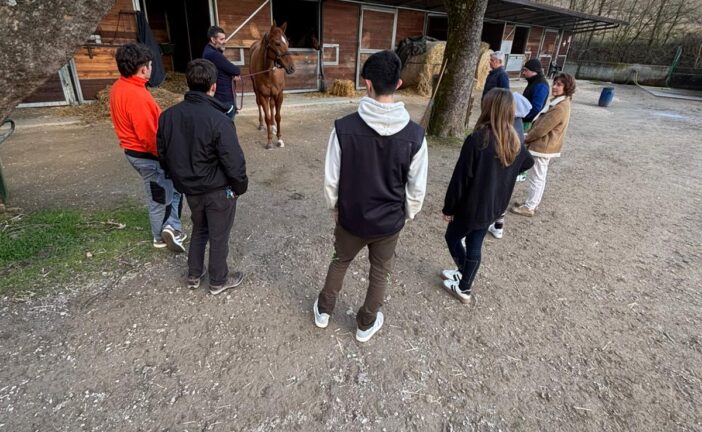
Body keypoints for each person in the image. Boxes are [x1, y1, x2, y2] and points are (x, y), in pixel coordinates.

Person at [314, 50, 428, 342]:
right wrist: (408, 213)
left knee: (340, 260)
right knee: (380, 272)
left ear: (367, 83)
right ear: (399, 83)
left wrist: (335, 208)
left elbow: (331, 179)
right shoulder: (415, 136)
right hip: (389, 222)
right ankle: (365, 323)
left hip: (351, 216)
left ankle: (324, 310)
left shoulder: (343, 128)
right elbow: (416, 188)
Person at [157, 59, 248, 295]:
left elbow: (163, 154)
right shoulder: (220, 119)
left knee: (200, 228)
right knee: (218, 234)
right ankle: (218, 280)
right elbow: (234, 161)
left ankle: (194, 274)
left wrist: (181, 181)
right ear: (214, 86)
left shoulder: (168, 116)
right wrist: (239, 186)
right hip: (217, 189)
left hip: (191, 189)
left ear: (187, 83)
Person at [441, 89, 534, 303]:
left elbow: (460, 179)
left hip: (471, 206)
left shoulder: (477, 139)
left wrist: (449, 208)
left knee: (453, 238)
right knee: (475, 241)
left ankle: (464, 284)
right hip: (495, 205)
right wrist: (506, 172)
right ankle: (465, 278)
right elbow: (528, 162)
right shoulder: (514, 139)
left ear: (488, 108)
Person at [109, 43, 185, 253]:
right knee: (159, 195)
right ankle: (161, 235)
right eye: (151, 65)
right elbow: (149, 137)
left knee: (168, 190)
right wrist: (167, 157)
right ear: (144, 68)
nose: (151, 68)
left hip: (134, 151)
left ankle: (171, 227)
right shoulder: (137, 97)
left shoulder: (120, 86)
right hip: (147, 155)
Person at [511, 73, 576, 218]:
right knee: (539, 176)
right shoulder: (560, 103)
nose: (554, 86)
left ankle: (530, 206)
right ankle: (531, 203)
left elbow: (541, 129)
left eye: (559, 84)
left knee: (537, 177)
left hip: (543, 147)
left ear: (567, 87)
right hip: (544, 146)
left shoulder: (560, 107)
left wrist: (524, 138)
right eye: (555, 83)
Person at [487, 92, 532, 239]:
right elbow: (527, 159)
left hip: (498, 170)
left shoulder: (505, 125)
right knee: (503, 196)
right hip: (510, 172)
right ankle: (498, 226)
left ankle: (488, 223)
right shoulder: (518, 126)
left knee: (491, 195)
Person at [202, 26, 240, 120]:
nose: (225, 41)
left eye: (224, 38)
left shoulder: (209, 50)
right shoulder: (213, 54)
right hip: (223, 98)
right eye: (221, 39)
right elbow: (235, 70)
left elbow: (222, 69)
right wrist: (233, 74)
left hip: (219, 96)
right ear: (213, 39)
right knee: (227, 126)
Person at [521, 59, 550, 131]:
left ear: (534, 71)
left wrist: (522, 116)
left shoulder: (541, 85)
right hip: (524, 119)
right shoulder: (533, 82)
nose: (523, 73)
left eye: (526, 70)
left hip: (528, 122)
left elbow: (536, 108)